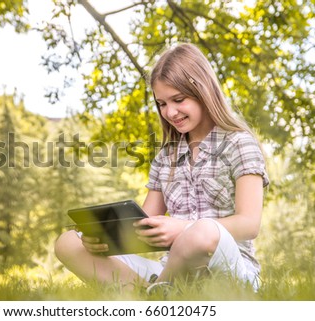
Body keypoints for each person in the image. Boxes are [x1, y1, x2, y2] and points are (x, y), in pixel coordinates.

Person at [54, 43, 269, 293]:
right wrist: (105, 239)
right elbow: (143, 228)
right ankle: (157, 292)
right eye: (162, 103)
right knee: (68, 242)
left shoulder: (239, 143)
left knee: (203, 231)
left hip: (230, 270)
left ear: (204, 91)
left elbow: (249, 224)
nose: (170, 112)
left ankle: (153, 292)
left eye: (178, 100)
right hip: (173, 269)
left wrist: (185, 227)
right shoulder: (166, 157)